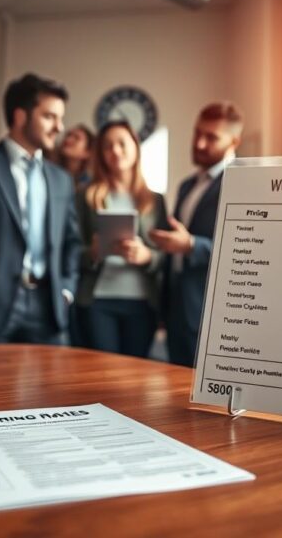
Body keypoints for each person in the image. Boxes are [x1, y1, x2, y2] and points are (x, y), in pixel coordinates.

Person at [0, 73, 82, 344]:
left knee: (54, 386)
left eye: (60, 118)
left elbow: (72, 241)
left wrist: (66, 290)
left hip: (49, 306)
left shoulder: (61, 179)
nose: (60, 127)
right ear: (20, 116)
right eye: (49, 117)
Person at [149, 102, 243, 366]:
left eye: (211, 137)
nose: (199, 143)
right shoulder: (187, 185)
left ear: (234, 141)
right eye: (197, 133)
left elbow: (246, 251)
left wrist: (191, 245)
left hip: (213, 312)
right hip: (176, 307)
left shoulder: (244, 183)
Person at [74, 121, 166, 357]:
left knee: (135, 374)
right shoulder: (86, 197)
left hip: (142, 303)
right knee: (102, 373)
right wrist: (92, 252)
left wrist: (147, 257)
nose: (115, 151)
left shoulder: (155, 201)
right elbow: (71, 250)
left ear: (136, 148)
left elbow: (166, 254)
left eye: (122, 144)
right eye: (107, 146)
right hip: (98, 300)